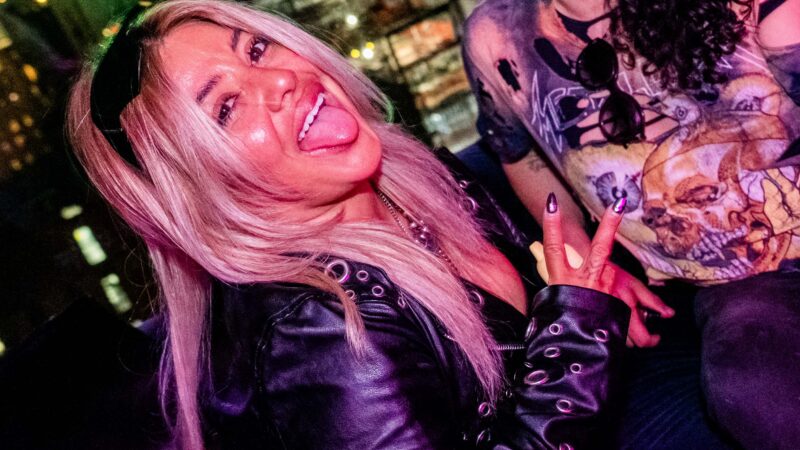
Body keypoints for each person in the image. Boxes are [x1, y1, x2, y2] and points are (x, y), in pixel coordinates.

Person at [67, 1, 636, 448]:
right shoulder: (321, 336)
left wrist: (586, 291)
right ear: (198, 190)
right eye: (226, 108)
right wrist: (580, 333)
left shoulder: (408, 174)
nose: (280, 79)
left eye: (257, 49)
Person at [462, 0, 800, 448]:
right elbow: (522, 156)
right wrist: (587, 266)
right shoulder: (496, 34)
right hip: (739, 284)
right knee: (752, 388)